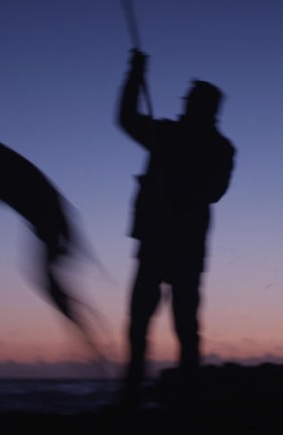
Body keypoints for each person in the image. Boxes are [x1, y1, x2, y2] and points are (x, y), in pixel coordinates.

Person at [117, 49, 236, 408]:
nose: (184, 106)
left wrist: (178, 183)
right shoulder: (169, 135)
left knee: (180, 325)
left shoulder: (213, 147)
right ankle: (135, 396)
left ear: (205, 108)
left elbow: (213, 192)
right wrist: (135, 75)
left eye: (191, 101)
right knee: (143, 323)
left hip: (179, 245)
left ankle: (185, 399)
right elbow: (126, 119)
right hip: (165, 243)